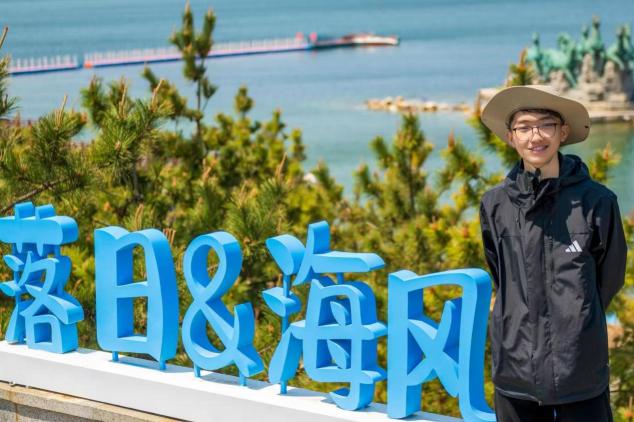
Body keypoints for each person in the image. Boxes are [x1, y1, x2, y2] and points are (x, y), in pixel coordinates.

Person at [478, 85, 627, 422]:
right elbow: (500, 272)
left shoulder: (597, 202)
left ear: (562, 132)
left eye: (546, 124)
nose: (535, 136)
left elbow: (610, 277)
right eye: (524, 127)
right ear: (511, 137)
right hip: (515, 365)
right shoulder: (495, 204)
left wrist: (577, 316)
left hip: (579, 365)